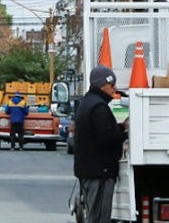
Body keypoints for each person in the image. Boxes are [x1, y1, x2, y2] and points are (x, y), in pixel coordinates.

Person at [72, 66, 127, 223]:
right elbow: (106, 137)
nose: (115, 88)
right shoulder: (99, 107)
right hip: (100, 172)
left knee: (94, 214)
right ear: (103, 84)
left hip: (89, 170)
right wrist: (123, 131)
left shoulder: (87, 103)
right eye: (112, 84)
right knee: (99, 217)